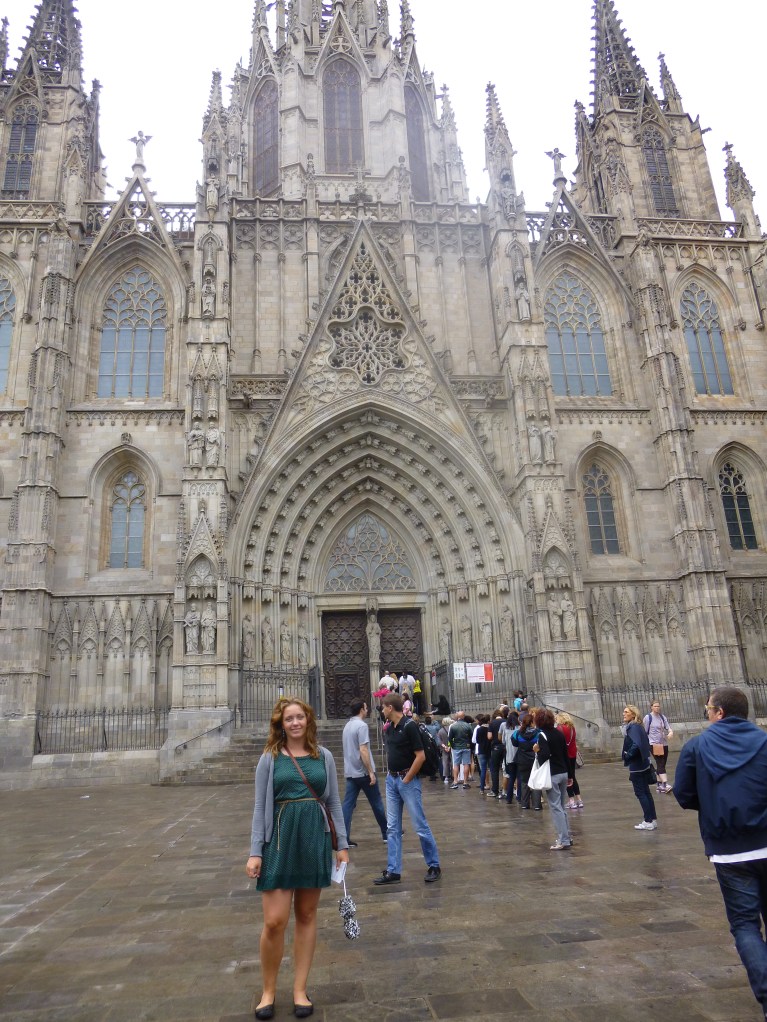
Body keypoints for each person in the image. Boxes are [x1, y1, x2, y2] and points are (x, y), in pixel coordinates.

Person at [246, 698, 349, 1020]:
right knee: (275, 921)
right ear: (281, 724)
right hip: (278, 841)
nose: (294, 723)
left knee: (306, 915)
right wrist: (254, 851)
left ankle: (300, 990)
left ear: (308, 720)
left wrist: (341, 844)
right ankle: (268, 991)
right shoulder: (270, 759)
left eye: (299, 717)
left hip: (313, 840)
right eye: (288, 718)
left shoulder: (325, 757)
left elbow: (333, 802)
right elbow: (259, 807)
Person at [674, 687, 767, 1021]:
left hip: (730, 852)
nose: (707, 713)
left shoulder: (697, 747)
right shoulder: (765, 740)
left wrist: (714, 803)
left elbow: (684, 795)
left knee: (744, 926)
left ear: (719, 713)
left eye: (707, 708)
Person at [373, 692, 441, 886]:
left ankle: (434, 865)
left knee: (420, 825)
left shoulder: (409, 726)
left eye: (382, 707)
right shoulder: (390, 727)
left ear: (390, 708)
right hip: (392, 780)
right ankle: (393, 870)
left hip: (406, 781)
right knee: (392, 828)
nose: (381, 710)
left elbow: (420, 756)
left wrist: (407, 779)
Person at [341, 699, 388, 847]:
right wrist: (371, 772)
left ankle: (343, 838)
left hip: (350, 772)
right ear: (361, 709)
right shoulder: (361, 726)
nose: (367, 710)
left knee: (347, 806)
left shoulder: (347, 726)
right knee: (377, 803)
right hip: (363, 772)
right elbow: (363, 750)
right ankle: (386, 833)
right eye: (366, 708)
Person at [533, 707, 572, 850]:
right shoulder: (559, 733)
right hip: (563, 772)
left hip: (553, 774)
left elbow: (545, 755)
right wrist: (570, 775)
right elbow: (565, 754)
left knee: (556, 808)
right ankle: (567, 836)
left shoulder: (542, 735)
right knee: (561, 807)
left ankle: (563, 840)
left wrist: (537, 752)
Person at [621, 705, 657, 831]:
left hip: (637, 765)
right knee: (646, 792)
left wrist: (628, 755)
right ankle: (652, 819)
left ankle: (648, 820)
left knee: (641, 793)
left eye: (626, 712)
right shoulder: (638, 726)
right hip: (643, 763)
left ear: (633, 714)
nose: (624, 714)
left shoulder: (633, 727)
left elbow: (637, 744)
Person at [512, 712, 542, 810]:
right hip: (535, 759)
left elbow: (514, 743)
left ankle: (525, 803)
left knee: (524, 781)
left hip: (522, 759)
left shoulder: (517, 733)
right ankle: (537, 804)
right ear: (532, 722)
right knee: (536, 781)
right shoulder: (538, 733)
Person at [644, 700, 674, 793]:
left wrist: (670, 732)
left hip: (663, 743)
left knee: (662, 763)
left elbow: (668, 727)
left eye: (658, 706)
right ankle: (665, 784)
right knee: (660, 762)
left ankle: (659, 786)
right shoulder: (648, 717)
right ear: (651, 707)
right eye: (655, 706)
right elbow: (645, 731)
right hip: (654, 743)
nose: (657, 708)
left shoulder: (662, 717)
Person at [556, 712, 584, 809]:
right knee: (573, 777)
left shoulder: (559, 729)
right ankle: (579, 799)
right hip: (572, 754)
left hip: (564, 756)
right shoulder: (572, 728)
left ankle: (571, 800)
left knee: (567, 778)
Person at [447, 710, 473, 789]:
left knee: (456, 764)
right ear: (463, 717)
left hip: (456, 747)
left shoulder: (453, 726)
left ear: (457, 717)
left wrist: (452, 745)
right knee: (466, 764)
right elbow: (471, 737)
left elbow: (450, 738)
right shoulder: (468, 726)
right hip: (466, 746)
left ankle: (455, 781)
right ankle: (465, 782)